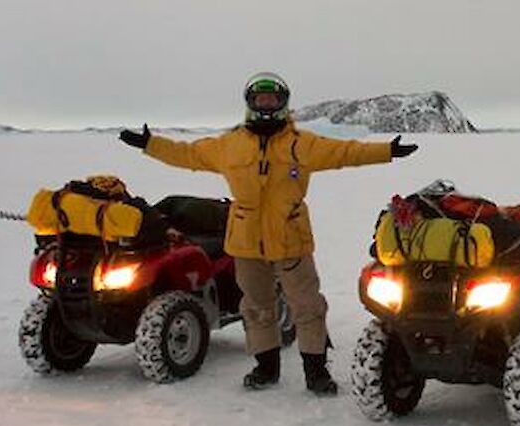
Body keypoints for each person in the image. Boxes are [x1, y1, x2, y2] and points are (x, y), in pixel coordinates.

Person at [118, 72, 418, 394]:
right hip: (246, 242)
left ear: (282, 103)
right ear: (250, 103)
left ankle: (316, 372)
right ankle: (266, 367)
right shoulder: (229, 145)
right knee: (256, 306)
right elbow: (188, 154)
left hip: (290, 238)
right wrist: (150, 144)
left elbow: (345, 152)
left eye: (271, 99)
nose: (265, 105)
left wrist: (386, 150)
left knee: (307, 306)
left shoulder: (301, 143)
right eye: (260, 99)